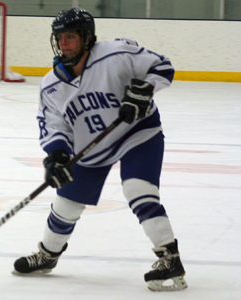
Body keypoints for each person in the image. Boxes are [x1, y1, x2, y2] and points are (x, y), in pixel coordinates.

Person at [12, 8, 187, 292]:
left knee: (138, 189)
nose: (65, 43)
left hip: (136, 134)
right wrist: (57, 156)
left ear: (86, 37)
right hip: (90, 147)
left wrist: (144, 89)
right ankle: (48, 255)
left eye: (71, 36)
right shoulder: (51, 86)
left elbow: (162, 67)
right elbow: (54, 127)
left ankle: (170, 257)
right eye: (60, 38)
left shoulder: (116, 53)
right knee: (66, 205)